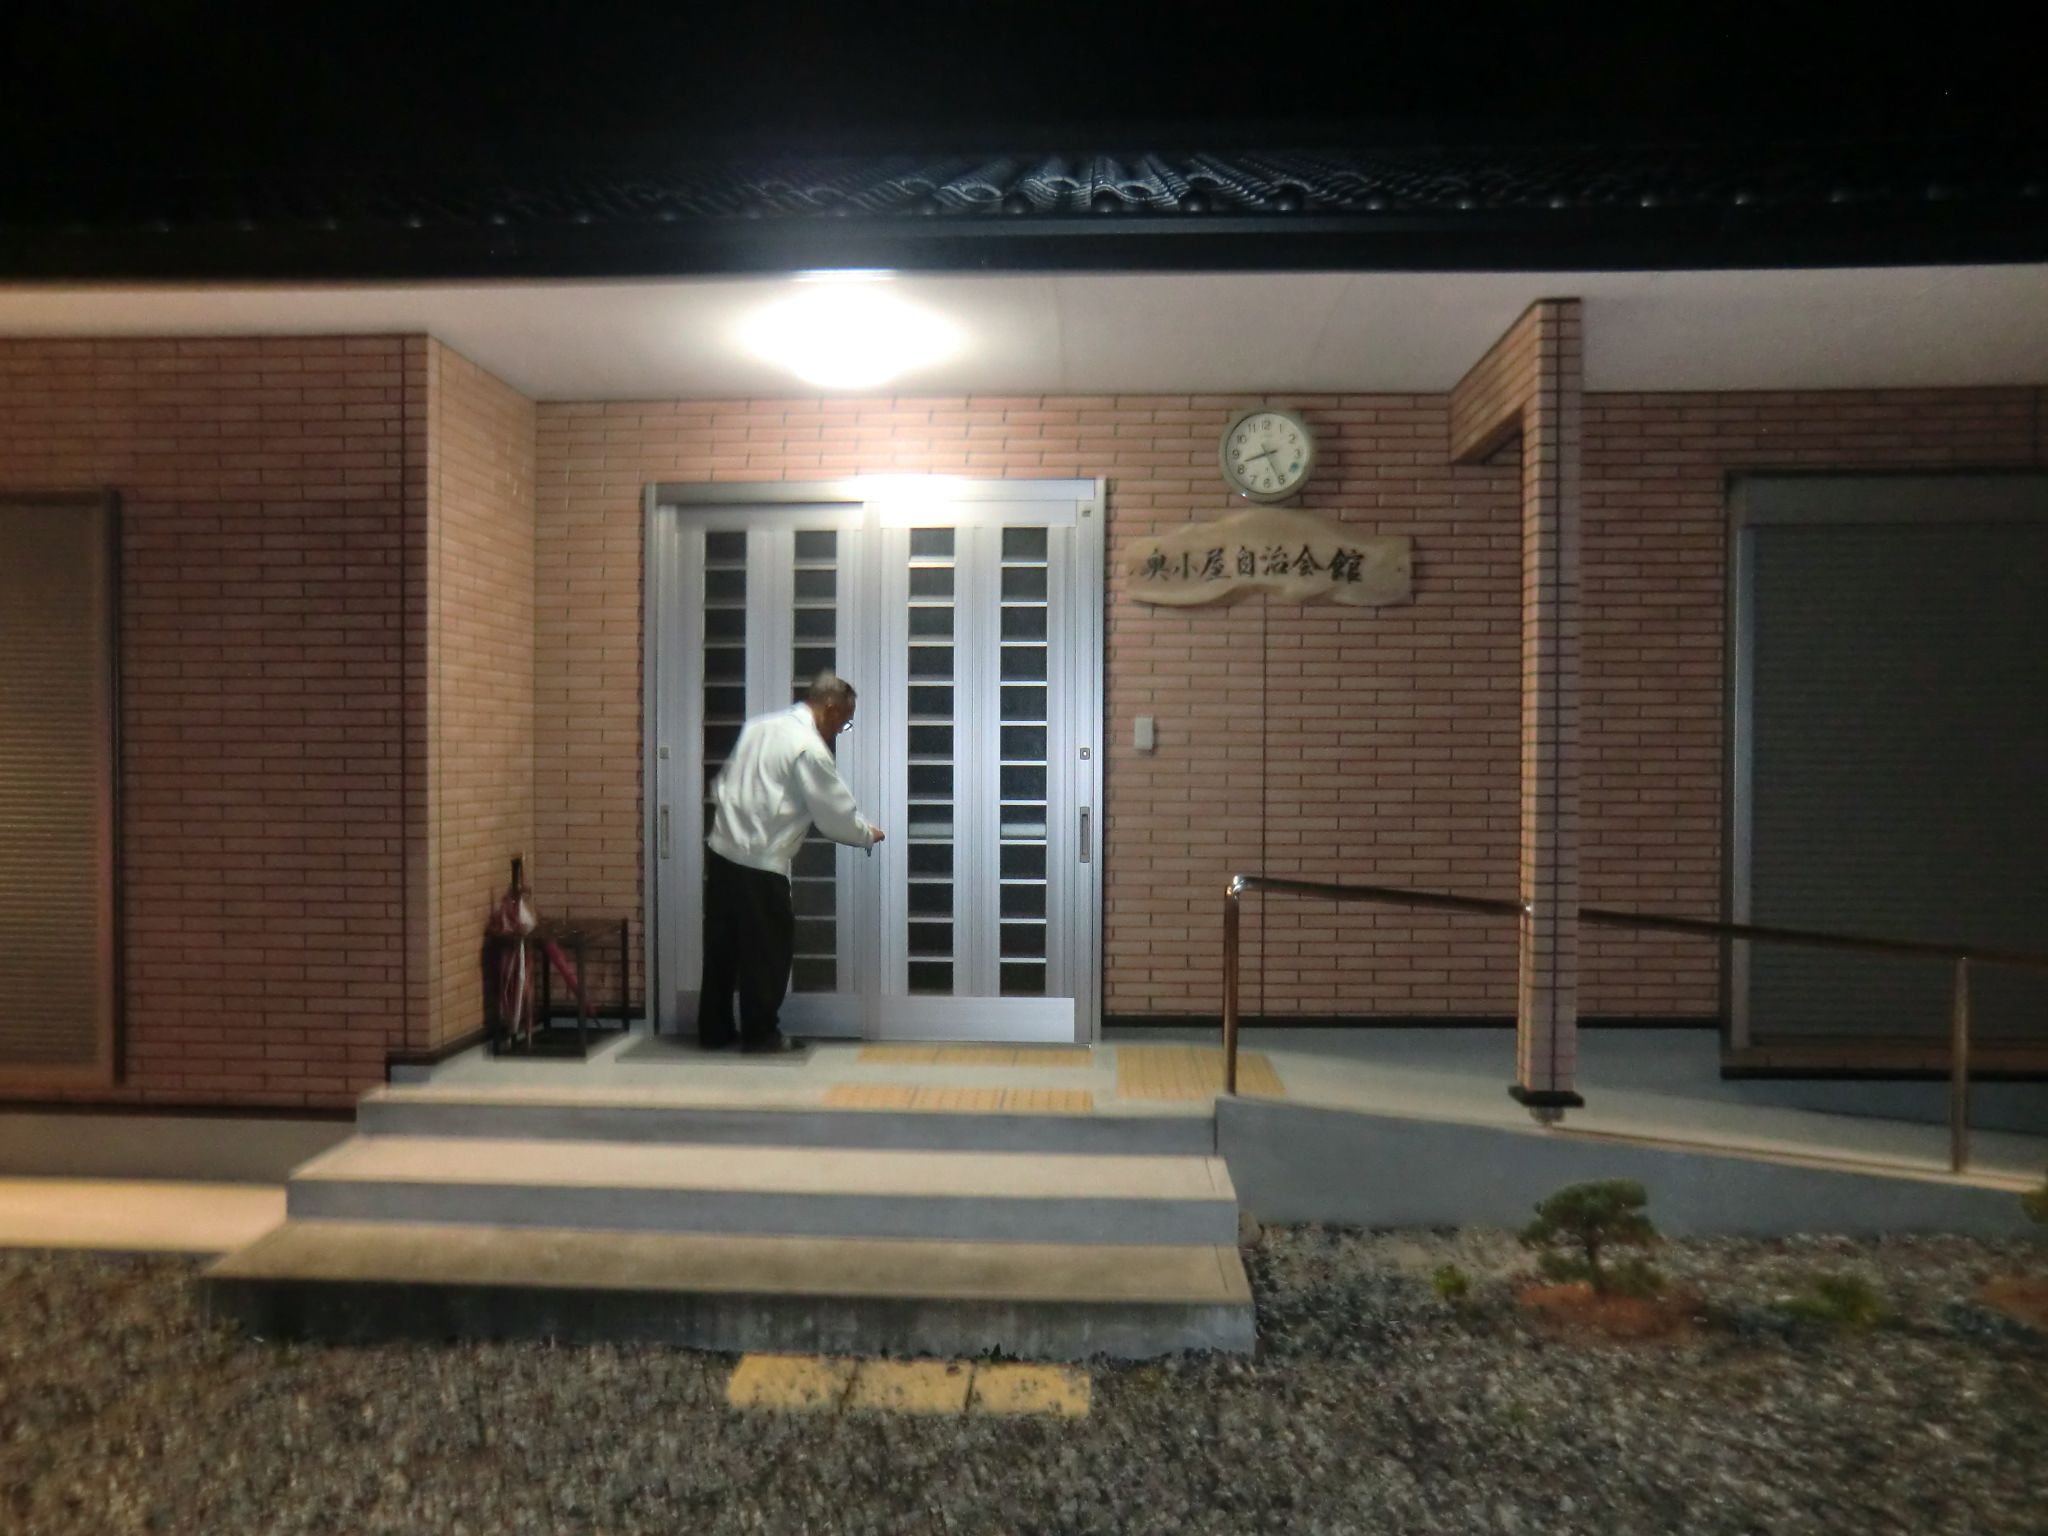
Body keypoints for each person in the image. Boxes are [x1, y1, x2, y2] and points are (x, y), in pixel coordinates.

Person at [698, 672, 883, 1053]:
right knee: (767, 952)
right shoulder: (808, 748)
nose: (841, 730)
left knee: (722, 949)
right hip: (761, 862)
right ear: (830, 708)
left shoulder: (758, 728)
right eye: (845, 722)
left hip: (721, 852)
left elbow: (725, 783)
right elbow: (833, 814)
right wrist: (866, 834)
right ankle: (761, 1035)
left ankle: (714, 1031)